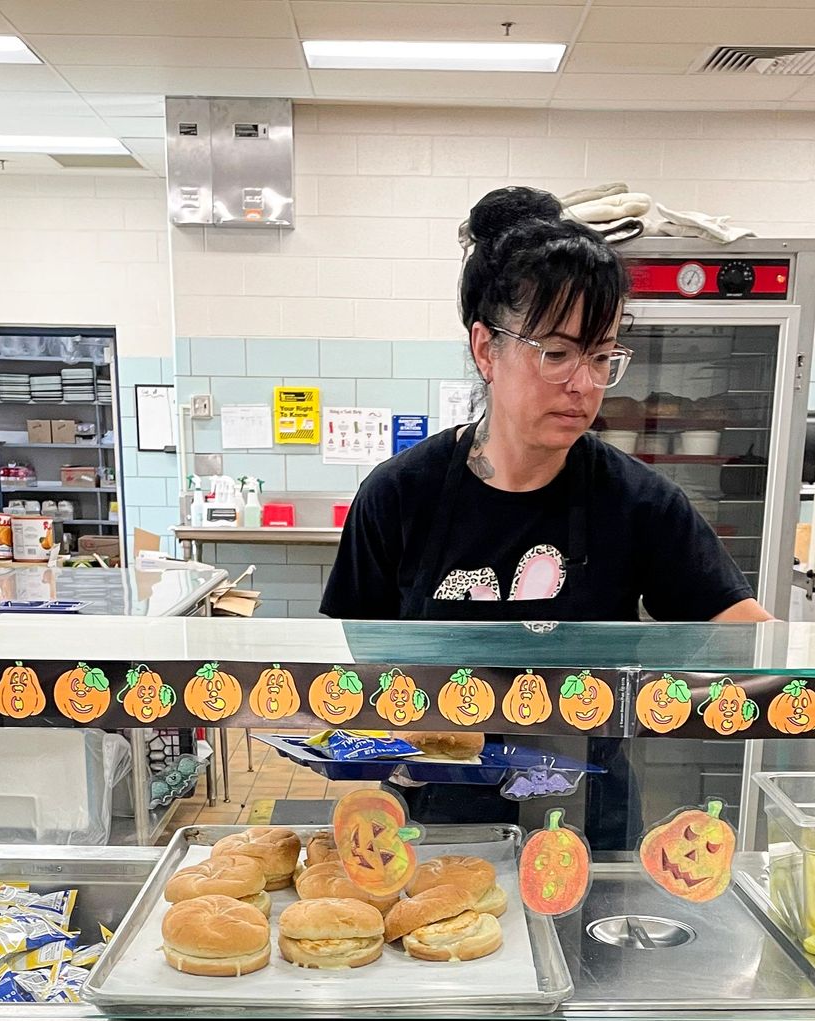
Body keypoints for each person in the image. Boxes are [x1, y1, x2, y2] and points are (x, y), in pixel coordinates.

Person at [321, 185, 771, 847]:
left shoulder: (639, 502)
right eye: (557, 353)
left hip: (589, 821)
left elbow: (753, 638)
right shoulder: (399, 495)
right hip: (434, 819)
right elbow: (352, 663)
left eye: (602, 356)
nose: (584, 384)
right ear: (486, 349)